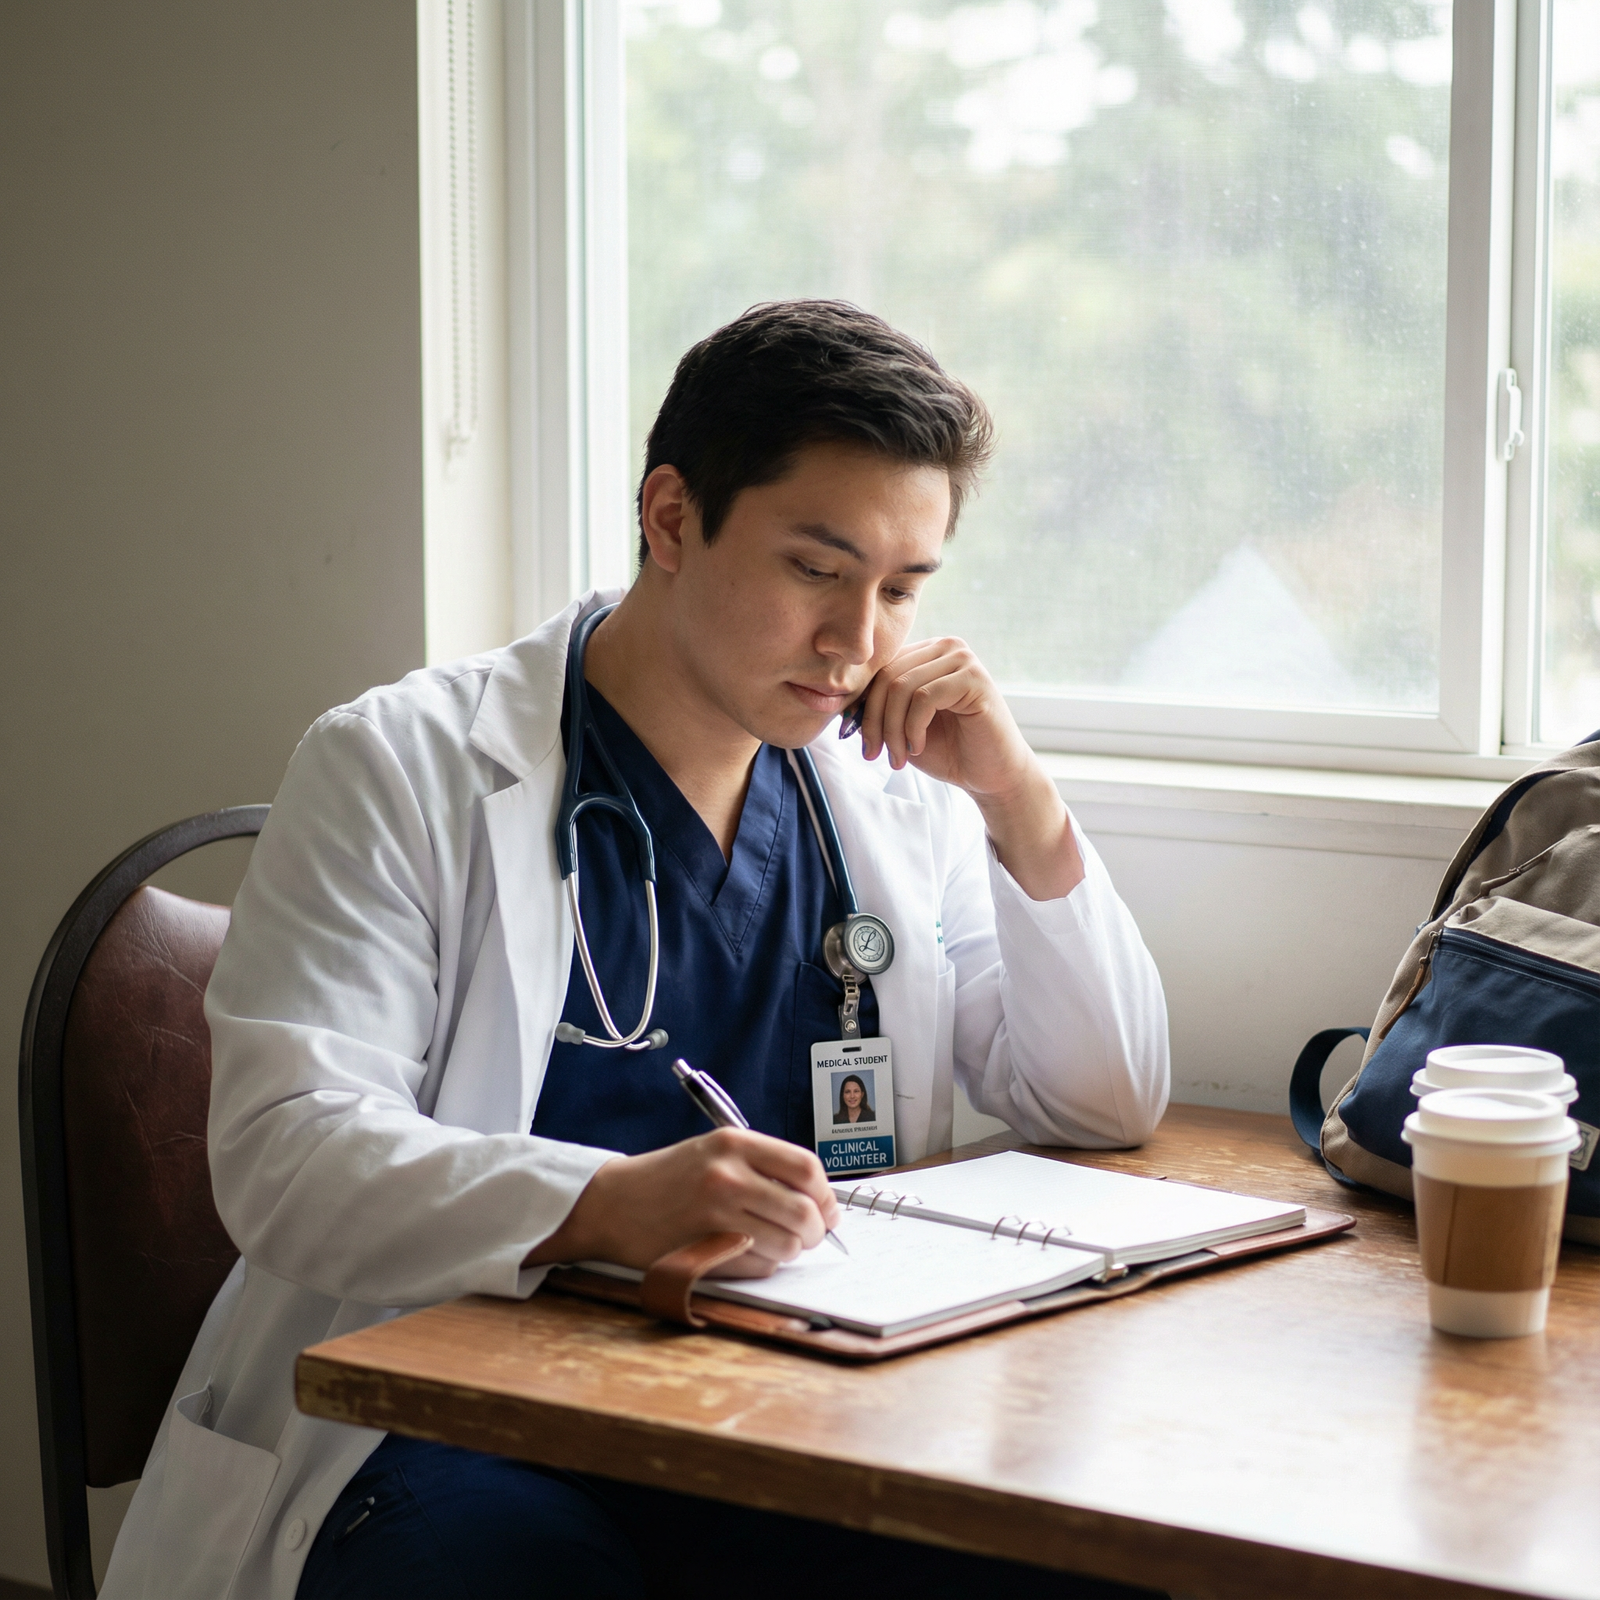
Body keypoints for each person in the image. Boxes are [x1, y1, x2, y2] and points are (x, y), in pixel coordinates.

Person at [99, 301, 1170, 1600]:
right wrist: (600, 1205)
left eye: (899, 590)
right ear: (670, 519)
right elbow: (287, 1157)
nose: (858, 645)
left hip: (802, 1402)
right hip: (468, 1414)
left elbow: (1101, 1102)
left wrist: (1021, 802)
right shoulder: (398, 763)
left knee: (1085, 1562)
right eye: (816, 571)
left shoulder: (891, 790)